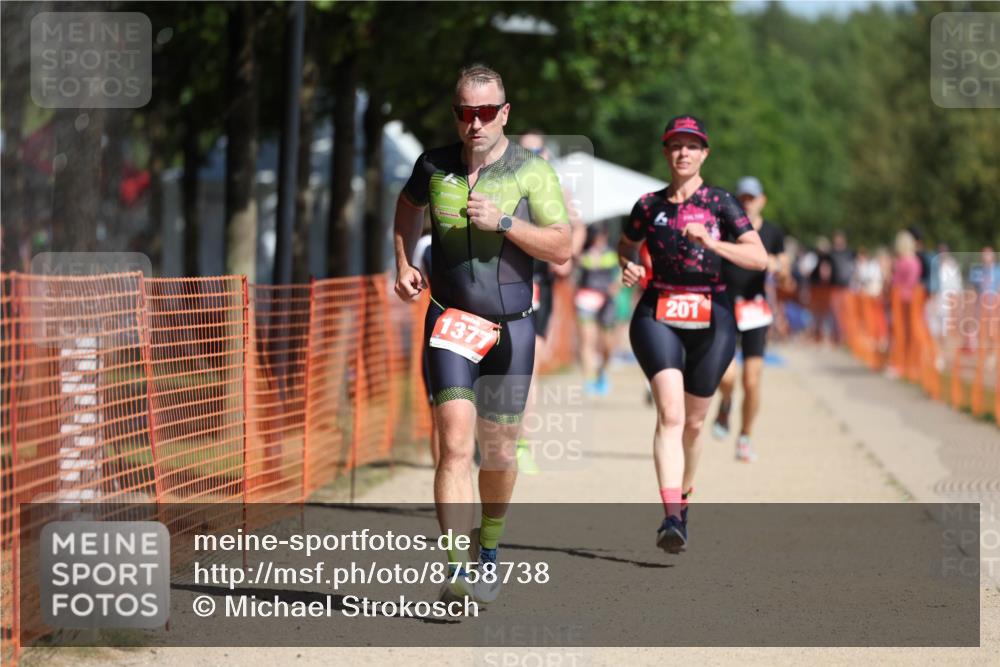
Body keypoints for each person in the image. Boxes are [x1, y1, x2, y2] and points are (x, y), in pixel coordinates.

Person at [392, 65, 571, 600]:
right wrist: (402, 261)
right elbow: (406, 208)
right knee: (453, 446)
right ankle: (454, 570)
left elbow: (562, 248)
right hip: (450, 321)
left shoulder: (531, 171)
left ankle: (487, 547)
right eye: (466, 113)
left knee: (499, 454)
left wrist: (506, 224)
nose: (476, 123)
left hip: (512, 330)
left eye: (487, 112)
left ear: (505, 113)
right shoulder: (433, 166)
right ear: (456, 115)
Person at [618, 115, 766, 553]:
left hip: (711, 312)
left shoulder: (721, 203)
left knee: (696, 424)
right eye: (675, 145)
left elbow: (758, 258)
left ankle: (683, 500)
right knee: (671, 415)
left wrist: (712, 244)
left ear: (704, 153)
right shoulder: (648, 205)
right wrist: (628, 262)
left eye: (692, 145)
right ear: (666, 153)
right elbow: (626, 243)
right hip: (657, 310)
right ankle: (670, 517)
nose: (683, 152)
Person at [515, 129, 583, 474]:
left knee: (530, 366)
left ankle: (522, 443)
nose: (531, 155)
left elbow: (576, 225)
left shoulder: (555, 187)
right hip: (502, 282)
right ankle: (492, 434)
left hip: (538, 284)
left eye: (536, 150)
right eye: (524, 150)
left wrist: (568, 254)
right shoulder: (504, 182)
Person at [711, 176, 786, 463]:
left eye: (751, 198)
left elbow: (784, 267)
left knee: (752, 381)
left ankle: (745, 436)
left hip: (755, 310)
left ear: (761, 200)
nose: (747, 203)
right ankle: (726, 403)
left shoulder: (773, 233)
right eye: (742, 197)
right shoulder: (724, 228)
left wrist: (779, 266)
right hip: (725, 308)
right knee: (727, 377)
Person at [576, 224, 621, 396]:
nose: (598, 239)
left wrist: (616, 285)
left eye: (601, 236)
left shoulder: (612, 254)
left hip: (607, 301)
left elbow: (619, 275)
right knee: (587, 340)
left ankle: (601, 371)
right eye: (595, 236)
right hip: (586, 298)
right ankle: (589, 379)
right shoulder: (581, 253)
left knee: (607, 344)